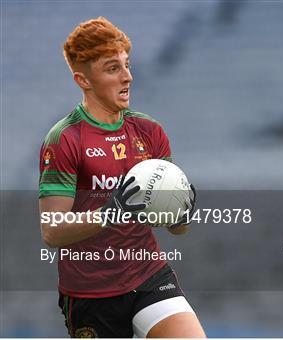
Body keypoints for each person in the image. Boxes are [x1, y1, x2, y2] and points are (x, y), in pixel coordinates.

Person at [38, 17, 205, 338]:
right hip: (90, 295)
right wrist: (113, 212)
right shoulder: (65, 139)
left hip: (149, 275)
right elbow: (52, 232)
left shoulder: (149, 131)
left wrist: (182, 209)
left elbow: (176, 227)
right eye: (112, 68)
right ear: (83, 80)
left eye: (127, 65)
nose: (128, 76)